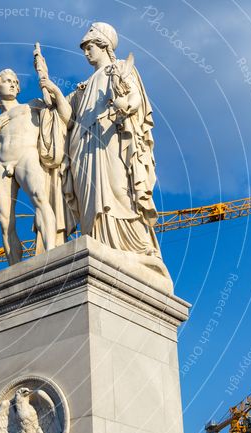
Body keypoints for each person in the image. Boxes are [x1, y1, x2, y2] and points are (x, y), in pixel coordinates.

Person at [62, 22, 171, 283]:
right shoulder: (83, 86)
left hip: (109, 139)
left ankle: (133, 248)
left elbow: (135, 97)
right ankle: (97, 241)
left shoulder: (118, 69)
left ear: (104, 45)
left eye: (90, 47)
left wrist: (126, 105)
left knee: (118, 191)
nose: (86, 53)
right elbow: (65, 117)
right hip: (82, 145)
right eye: (84, 49)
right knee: (90, 201)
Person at [0, 69, 71, 265]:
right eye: (7, 81)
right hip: (0, 164)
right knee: (5, 222)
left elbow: (63, 115)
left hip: (26, 155)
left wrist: (50, 87)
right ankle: (14, 267)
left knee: (40, 199)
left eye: (15, 82)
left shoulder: (32, 106)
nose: (13, 84)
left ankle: (51, 251)